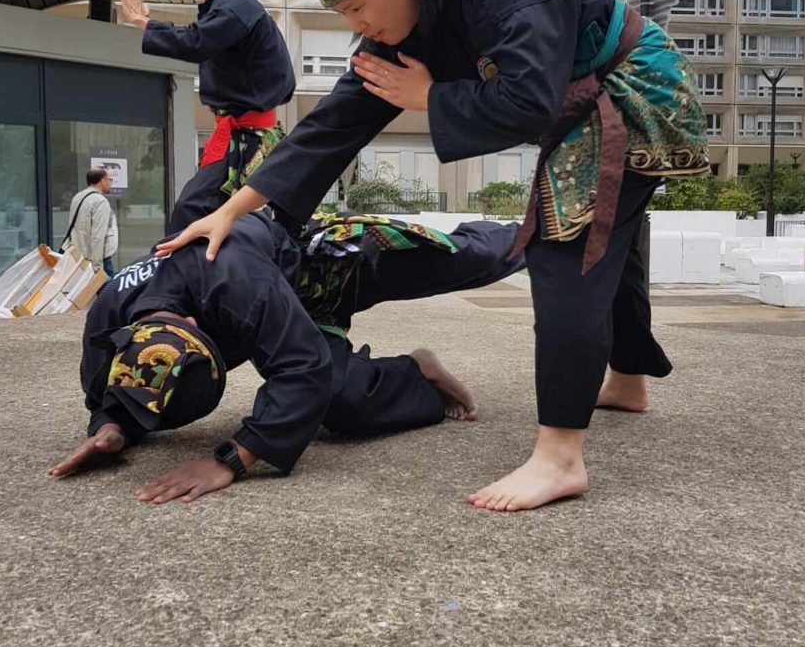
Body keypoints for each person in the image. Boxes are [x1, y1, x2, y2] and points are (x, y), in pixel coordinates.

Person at [155, 0, 710, 512]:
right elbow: (331, 129)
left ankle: (560, 457)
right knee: (611, 232)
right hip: (582, 101)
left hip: (632, 87)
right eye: (343, 14)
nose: (358, 25)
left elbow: (528, 100)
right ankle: (628, 379)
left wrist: (431, 96)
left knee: (566, 243)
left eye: (359, 6)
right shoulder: (397, 27)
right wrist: (235, 210)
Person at [48, 211, 524, 502]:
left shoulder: (235, 282)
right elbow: (108, 395)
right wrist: (111, 430)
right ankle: (418, 374)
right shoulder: (108, 316)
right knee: (342, 403)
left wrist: (230, 460)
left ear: (197, 327)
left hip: (322, 267)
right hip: (266, 302)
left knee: (468, 259)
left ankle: (547, 228)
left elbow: (302, 368)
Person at [116, 0, 296, 233]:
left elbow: (196, 41)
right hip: (239, 138)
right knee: (223, 223)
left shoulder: (236, 8)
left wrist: (143, 21)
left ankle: (194, 281)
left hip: (247, 142)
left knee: (192, 212)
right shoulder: (225, 9)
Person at [64, 168, 118, 277]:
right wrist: (97, 268)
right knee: (111, 292)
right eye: (110, 180)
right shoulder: (100, 201)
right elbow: (97, 236)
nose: (111, 183)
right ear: (102, 181)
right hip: (99, 259)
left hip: (79, 255)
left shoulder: (78, 197)